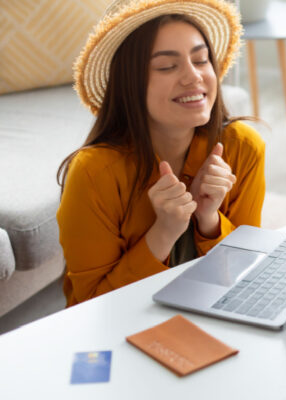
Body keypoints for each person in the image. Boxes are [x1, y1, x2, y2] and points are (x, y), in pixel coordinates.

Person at [57, 0, 265, 306]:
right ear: (131, 84)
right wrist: (163, 233)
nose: (193, 76)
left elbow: (247, 276)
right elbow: (90, 307)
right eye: (167, 66)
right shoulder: (93, 172)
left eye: (201, 60)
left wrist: (209, 220)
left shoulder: (243, 147)